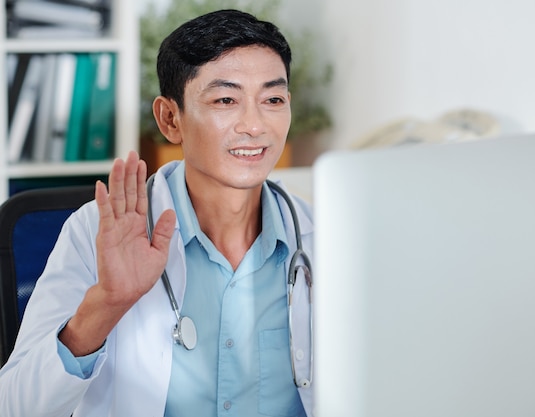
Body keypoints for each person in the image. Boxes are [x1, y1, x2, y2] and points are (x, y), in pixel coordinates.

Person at [0, 9, 314, 417]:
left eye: (273, 99)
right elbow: (13, 407)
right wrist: (106, 305)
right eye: (225, 99)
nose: (255, 125)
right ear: (170, 119)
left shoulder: (324, 239)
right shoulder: (91, 232)